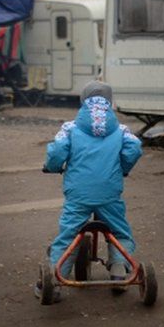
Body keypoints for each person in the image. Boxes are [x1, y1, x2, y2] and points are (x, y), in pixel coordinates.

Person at [38, 81, 143, 301]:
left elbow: (57, 151)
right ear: (110, 101)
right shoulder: (121, 130)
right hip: (109, 192)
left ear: (82, 100)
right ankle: (118, 271)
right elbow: (134, 148)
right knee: (119, 231)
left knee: (68, 234)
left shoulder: (71, 128)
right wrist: (122, 168)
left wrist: (54, 166)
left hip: (79, 193)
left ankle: (55, 280)